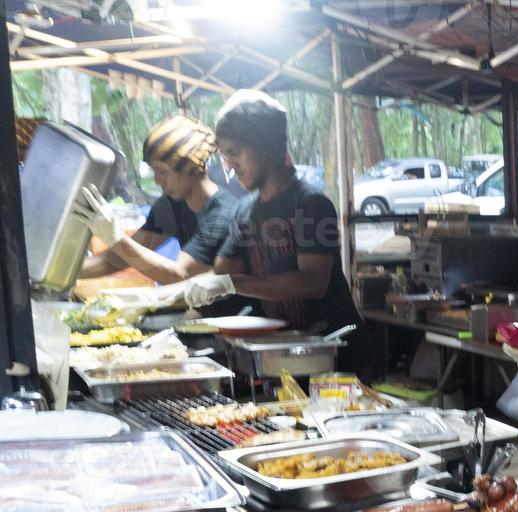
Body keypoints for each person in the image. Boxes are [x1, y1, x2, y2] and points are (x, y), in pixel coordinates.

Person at [173, 90, 359, 336]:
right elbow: (222, 273)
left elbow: (313, 282)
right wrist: (163, 294)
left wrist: (230, 284)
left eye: (235, 152)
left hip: (337, 353)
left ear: (266, 147)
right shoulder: (244, 210)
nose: (229, 164)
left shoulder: (311, 204)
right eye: (225, 155)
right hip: (285, 350)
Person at [77, 115, 239, 289]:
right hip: (198, 307)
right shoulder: (171, 205)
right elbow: (120, 258)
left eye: (162, 172)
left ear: (191, 167)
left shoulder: (222, 214)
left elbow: (180, 275)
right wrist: (63, 274)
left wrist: (115, 237)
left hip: (234, 314)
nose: (156, 181)